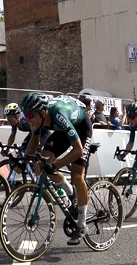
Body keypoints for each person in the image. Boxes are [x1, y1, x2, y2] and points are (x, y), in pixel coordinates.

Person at [20, 92, 92, 245]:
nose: (28, 119)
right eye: (25, 115)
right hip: (61, 131)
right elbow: (35, 139)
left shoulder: (58, 114)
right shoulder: (37, 117)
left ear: (43, 113)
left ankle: (82, 224)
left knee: (77, 176)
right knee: (43, 162)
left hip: (81, 128)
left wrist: (55, 166)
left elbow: (78, 150)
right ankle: (70, 192)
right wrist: (24, 162)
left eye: (31, 116)